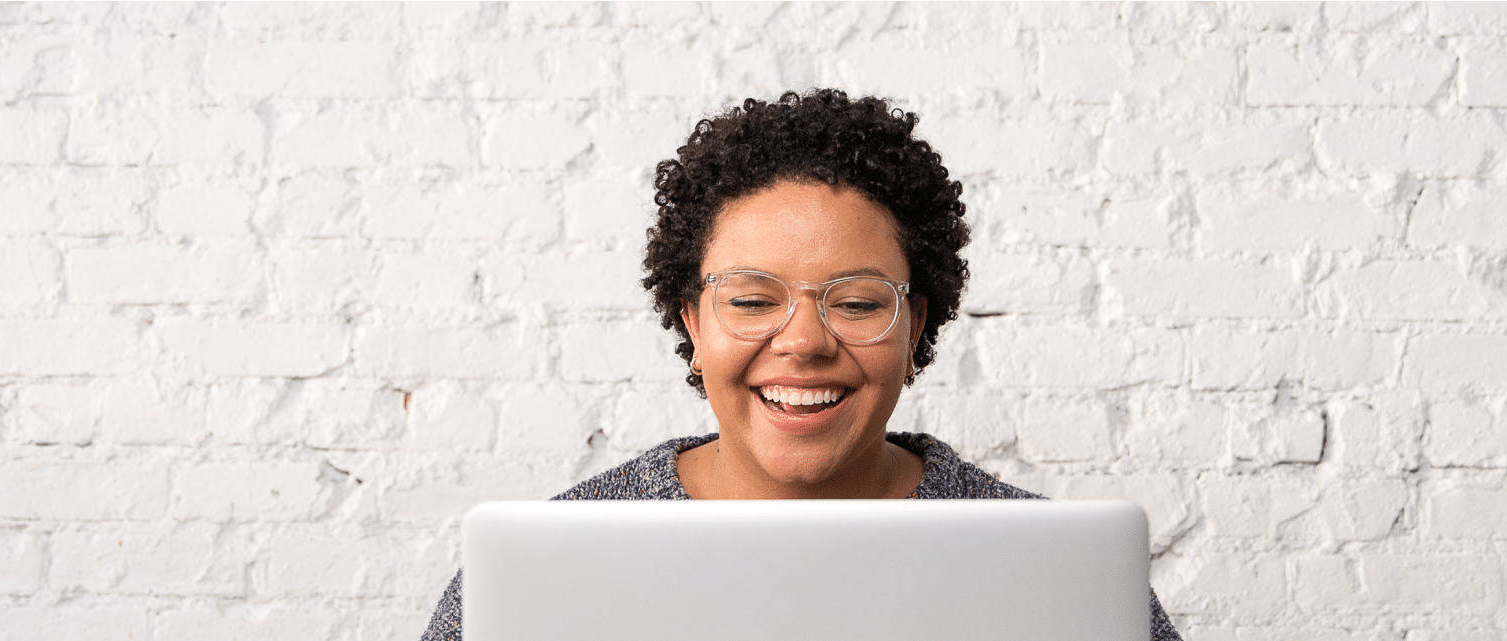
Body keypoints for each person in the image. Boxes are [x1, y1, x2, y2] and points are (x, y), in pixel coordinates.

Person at [418, 88, 1182, 641]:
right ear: (692, 319)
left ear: (915, 326)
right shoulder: (535, 573)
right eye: (751, 300)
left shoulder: (1061, 578)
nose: (805, 342)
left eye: (855, 302)